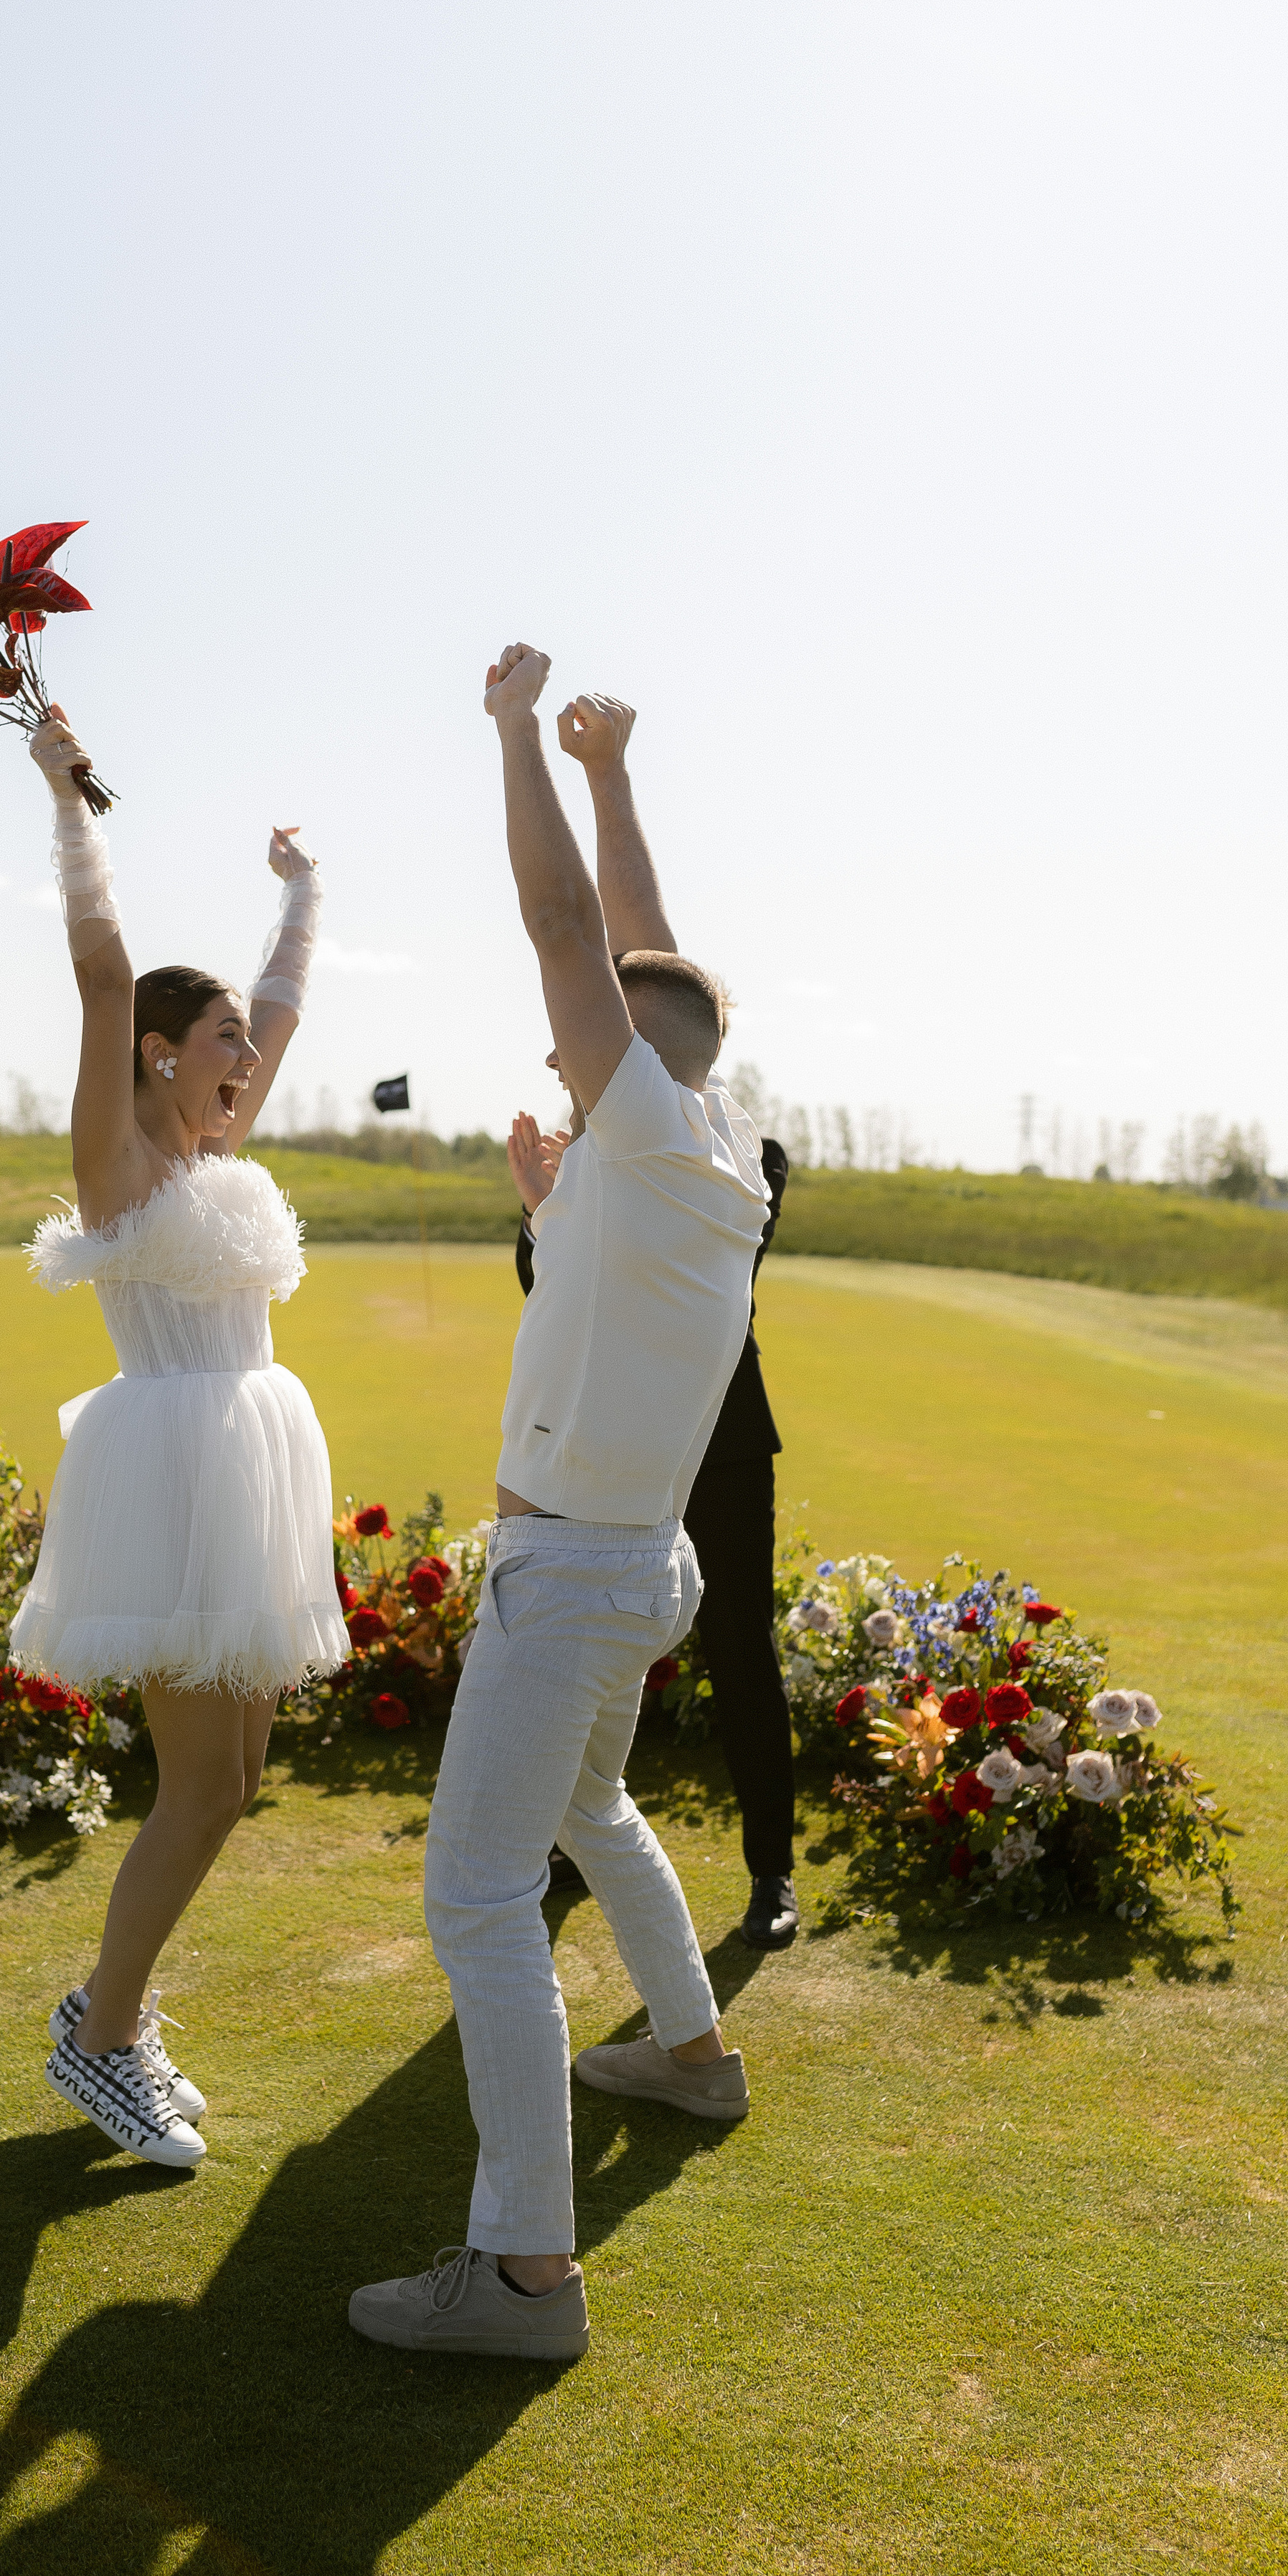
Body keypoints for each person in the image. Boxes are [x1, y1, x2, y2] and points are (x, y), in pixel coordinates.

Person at [350, 647, 771, 2361]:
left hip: (574, 1570)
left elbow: (570, 940)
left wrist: (518, 735)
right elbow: (652, 961)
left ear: (633, 1062)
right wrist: (613, 779)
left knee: (473, 1899)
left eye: (585, 1048)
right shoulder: (705, 1135)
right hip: (631, 1561)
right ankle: (687, 2050)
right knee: (593, 1807)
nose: (562, 1053)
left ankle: (523, 2271)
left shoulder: (660, 1128)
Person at [12, 709, 347, 2169]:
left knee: (227, 1785)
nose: (246, 1062)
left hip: (251, 1457)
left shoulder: (206, 1141)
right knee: (195, 1782)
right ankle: (97, 2041)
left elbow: (279, 1001)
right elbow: (97, 969)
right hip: (171, 1471)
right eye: (218, 1046)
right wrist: (66, 795)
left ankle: (115, 2012)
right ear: (156, 1056)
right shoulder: (122, 1157)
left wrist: (298, 891)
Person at [509, 964, 797, 1953]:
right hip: (611, 1443)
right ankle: (571, 1845)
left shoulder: (740, 1152)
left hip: (717, 1438)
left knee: (739, 1648)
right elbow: (544, 1287)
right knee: (590, 1654)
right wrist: (547, 1202)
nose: (564, 1054)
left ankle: (773, 1874)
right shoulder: (582, 1154)